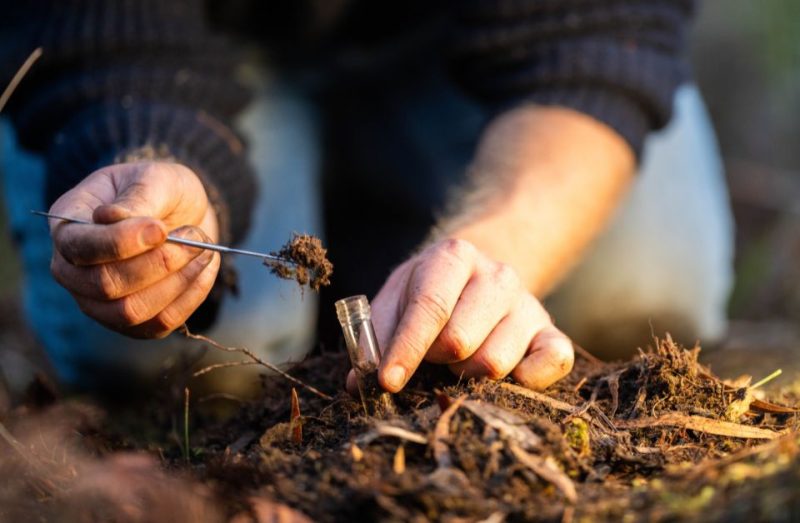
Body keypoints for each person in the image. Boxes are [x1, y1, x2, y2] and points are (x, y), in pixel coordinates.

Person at [0, 0, 734, 397]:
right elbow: (106, 36)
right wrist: (153, 157)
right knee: (196, 366)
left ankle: (373, 228)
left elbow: (593, 38)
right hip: (202, 59)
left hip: (455, 42)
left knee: (643, 281)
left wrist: (494, 247)